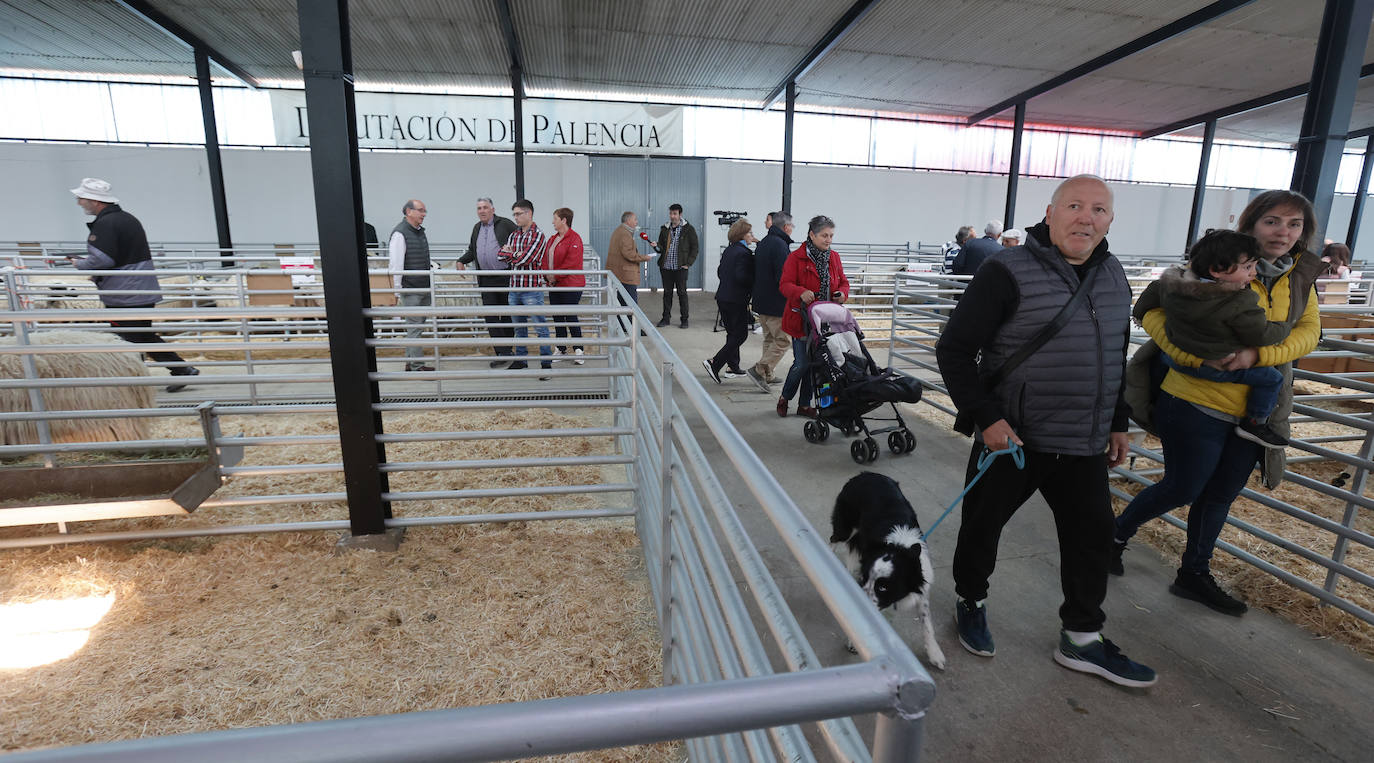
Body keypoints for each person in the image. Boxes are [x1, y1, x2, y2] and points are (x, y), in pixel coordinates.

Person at [935, 175, 1156, 688]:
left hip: (1083, 440)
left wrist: (1118, 420)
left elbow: (1112, 355)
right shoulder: (1004, 270)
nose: (1087, 217)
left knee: (1093, 537)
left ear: (1110, 219)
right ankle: (971, 599)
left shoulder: (1115, 274)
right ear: (1051, 212)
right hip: (1014, 438)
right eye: (1075, 206)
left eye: (1098, 209)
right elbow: (954, 350)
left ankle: (1081, 638)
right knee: (983, 527)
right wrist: (987, 417)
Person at [1114, 190, 1323, 616]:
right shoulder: (1209, 264)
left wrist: (1258, 356)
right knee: (1184, 486)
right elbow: (1150, 310)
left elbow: (1309, 330)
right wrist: (1191, 354)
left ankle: (1194, 573)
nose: (1283, 231)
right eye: (1273, 221)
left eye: (1294, 224)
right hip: (1194, 400)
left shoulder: (1300, 276)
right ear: (1251, 224)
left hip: (1254, 412)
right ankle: (1113, 535)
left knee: (1221, 494)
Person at [1132, 230, 1292, 449]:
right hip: (1220, 365)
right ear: (1217, 270)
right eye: (1248, 267)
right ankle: (1255, 422)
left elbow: (1150, 296)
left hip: (1176, 361)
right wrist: (1285, 328)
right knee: (1272, 378)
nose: (1253, 273)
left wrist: (1139, 315)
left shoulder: (1173, 285)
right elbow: (1260, 334)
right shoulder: (1237, 302)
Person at [67, 177, 199, 393]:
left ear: (95, 201)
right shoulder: (126, 218)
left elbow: (102, 260)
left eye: (81, 198)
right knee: (141, 335)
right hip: (139, 288)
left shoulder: (106, 224)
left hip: (124, 293)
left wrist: (79, 264)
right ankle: (178, 371)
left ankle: (141, 381)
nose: (79, 203)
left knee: (129, 337)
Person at [777, 215, 849, 418]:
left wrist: (842, 294)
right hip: (802, 321)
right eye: (824, 235)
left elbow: (843, 282)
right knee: (802, 363)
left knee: (816, 365)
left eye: (831, 236)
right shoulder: (796, 258)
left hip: (826, 321)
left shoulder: (833, 257)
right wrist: (800, 291)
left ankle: (805, 404)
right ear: (812, 234)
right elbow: (784, 285)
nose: (828, 240)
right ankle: (785, 398)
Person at [459, 197, 518, 368]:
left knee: (506, 315)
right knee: (491, 316)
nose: (482, 211)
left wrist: (514, 252)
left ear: (493, 209)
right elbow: (472, 250)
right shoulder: (477, 228)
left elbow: (518, 241)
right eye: (479, 208)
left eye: (485, 207)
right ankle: (503, 352)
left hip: (505, 276)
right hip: (485, 278)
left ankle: (507, 351)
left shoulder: (506, 224)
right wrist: (461, 260)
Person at [499, 199, 552, 377]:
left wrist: (511, 254)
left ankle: (546, 363)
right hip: (515, 287)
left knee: (540, 327)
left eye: (518, 214)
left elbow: (526, 259)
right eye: (514, 214)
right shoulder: (514, 235)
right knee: (518, 327)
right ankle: (521, 360)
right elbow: (501, 256)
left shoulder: (538, 235)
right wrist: (515, 254)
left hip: (531, 288)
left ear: (529, 213)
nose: (515, 217)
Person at [703, 218, 756, 383]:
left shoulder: (729, 250)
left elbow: (720, 272)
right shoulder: (744, 253)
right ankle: (714, 362)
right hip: (736, 299)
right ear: (742, 235)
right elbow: (742, 277)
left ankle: (733, 366)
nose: (752, 236)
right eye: (750, 233)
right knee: (740, 335)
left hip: (723, 297)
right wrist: (753, 280)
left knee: (732, 333)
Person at [746, 211, 795, 392]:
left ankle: (768, 373)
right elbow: (782, 277)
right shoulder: (780, 245)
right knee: (783, 340)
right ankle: (759, 370)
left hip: (761, 299)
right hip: (776, 302)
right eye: (792, 226)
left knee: (769, 339)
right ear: (786, 227)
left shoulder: (764, 242)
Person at [388, 199, 434, 372]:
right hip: (411, 287)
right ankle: (417, 365)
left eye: (424, 211)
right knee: (415, 326)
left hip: (422, 285)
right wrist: (397, 290)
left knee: (417, 326)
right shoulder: (400, 234)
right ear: (409, 211)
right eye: (421, 211)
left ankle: (410, 361)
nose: (424, 214)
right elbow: (396, 264)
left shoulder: (419, 232)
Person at [545, 207, 586, 364]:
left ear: (564, 220)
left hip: (571, 284)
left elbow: (571, 264)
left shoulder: (575, 239)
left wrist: (553, 276)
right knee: (557, 316)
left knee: (570, 315)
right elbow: (545, 257)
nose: (553, 222)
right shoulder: (553, 239)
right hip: (554, 284)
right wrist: (547, 276)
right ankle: (561, 348)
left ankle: (579, 349)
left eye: (555, 218)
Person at [655, 203, 698, 328]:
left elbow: (695, 247)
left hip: (680, 268)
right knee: (667, 293)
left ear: (680, 214)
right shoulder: (665, 228)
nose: (672, 216)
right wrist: (656, 245)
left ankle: (684, 320)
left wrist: (688, 263)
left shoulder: (688, 229)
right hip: (666, 268)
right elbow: (661, 248)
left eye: (675, 214)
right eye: (670, 213)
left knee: (682, 294)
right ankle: (665, 319)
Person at [606, 211, 653, 305]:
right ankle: (630, 320)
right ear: (628, 220)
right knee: (630, 305)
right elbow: (629, 254)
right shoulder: (624, 234)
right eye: (635, 219)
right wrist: (645, 257)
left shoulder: (620, 231)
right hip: (626, 275)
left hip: (621, 273)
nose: (637, 222)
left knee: (622, 303)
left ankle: (622, 320)